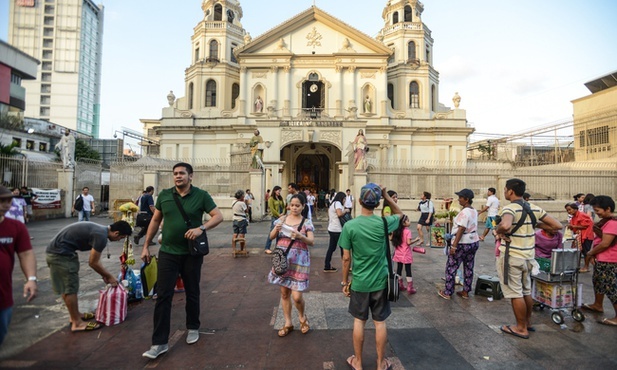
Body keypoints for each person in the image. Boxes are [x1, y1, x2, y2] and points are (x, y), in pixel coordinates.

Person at [140, 162, 223, 359]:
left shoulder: (201, 195)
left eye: (182, 173)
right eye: (175, 173)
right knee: (163, 295)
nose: (178, 176)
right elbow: (155, 220)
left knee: (192, 291)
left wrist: (200, 228)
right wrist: (146, 245)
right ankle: (159, 342)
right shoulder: (165, 195)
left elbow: (217, 216)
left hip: (191, 254)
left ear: (190, 176)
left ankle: (193, 326)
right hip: (168, 252)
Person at [339, 183, 401, 370]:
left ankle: (358, 362)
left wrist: (345, 281)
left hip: (360, 281)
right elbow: (400, 214)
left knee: (359, 321)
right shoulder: (384, 222)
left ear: (359, 201)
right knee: (380, 322)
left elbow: (346, 258)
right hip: (381, 281)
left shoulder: (350, 226)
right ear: (376, 203)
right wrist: (387, 196)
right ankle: (380, 363)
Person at [495, 178, 562, 339]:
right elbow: (557, 226)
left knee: (515, 293)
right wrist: (534, 224)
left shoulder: (509, 208)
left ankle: (520, 328)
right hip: (529, 258)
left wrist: (499, 230)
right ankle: (527, 323)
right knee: (526, 291)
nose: (504, 192)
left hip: (512, 257)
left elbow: (505, 225)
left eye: (505, 190)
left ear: (510, 191)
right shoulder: (533, 208)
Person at [46, 220, 132, 332]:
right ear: (116, 233)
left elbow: (94, 262)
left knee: (67, 287)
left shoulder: (101, 230)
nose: (119, 240)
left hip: (57, 252)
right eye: (121, 237)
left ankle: (75, 316)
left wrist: (104, 274)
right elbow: (93, 262)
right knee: (70, 288)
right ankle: (77, 323)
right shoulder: (101, 236)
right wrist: (110, 276)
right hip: (60, 255)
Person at [268, 193, 314, 337]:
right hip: (283, 260)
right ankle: (288, 322)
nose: (294, 208)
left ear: (303, 206)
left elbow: (311, 241)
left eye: (297, 205)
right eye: (292, 205)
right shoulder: (281, 220)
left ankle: (302, 317)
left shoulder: (306, 223)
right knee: (284, 293)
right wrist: (276, 229)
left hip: (299, 263)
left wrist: (300, 236)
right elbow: (271, 237)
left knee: (297, 296)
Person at [0, 185, 37, 346]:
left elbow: (26, 254)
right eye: (2, 200)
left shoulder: (16, 227)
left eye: (9, 200)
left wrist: (31, 279)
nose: (6, 204)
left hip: (3, 295)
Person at [581, 195, 617, 326]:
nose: (596, 213)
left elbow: (605, 244)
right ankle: (597, 305)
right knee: (598, 282)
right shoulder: (605, 222)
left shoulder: (612, 223)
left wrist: (590, 253)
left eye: (598, 210)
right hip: (602, 258)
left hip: (610, 260)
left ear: (608, 209)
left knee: (611, 287)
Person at [438, 189, 480, 300]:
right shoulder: (473, 211)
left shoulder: (465, 212)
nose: (459, 199)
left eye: (461, 197)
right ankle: (466, 291)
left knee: (451, 267)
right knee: (469, 267)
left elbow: (461, 228)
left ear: (466, 199)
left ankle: (448, 291)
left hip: (462, 243)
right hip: (473, 241)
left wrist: (454, 245)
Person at [392, 214, 419, 294]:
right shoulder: (407, 231)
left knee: (399, 268)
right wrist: (416, 240)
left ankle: (400, 284)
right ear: (403, 223)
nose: (409, 222)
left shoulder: (397, 231)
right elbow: (408, 242)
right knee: (408, 270)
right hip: (406, 253)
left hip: (398, 253)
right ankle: (410, 287)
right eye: (407, 220)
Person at [324, 191, 350, 273]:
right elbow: (339, 214)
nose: (344, 201)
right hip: (338, 229)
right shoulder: (338, 203)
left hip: (332, 228)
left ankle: (327, 266)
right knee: (344, 248)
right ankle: (346, 266)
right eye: (344, 199)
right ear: (341, 198)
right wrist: (345, 211)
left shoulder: (332, 204)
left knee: (331, 248)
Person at [565, 202, 594, 272]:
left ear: (575, 209)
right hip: (579, 236)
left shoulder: (582, 215)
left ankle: (586, 267)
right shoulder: (573, 217)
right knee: (580, 251)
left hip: (586, 236)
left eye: (570, 209)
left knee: (586, 251)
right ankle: (579, 266)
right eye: (567, 210)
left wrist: (573, 226)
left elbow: (585, 226)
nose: (569, 211)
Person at [264, 186, 285, 254]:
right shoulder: (271, 198)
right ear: (275, 191)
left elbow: (284, 206)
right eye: (278, 190)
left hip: (281, 217)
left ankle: (278, 247)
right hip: (275, 217)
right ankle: (267, 247)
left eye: (280, 191)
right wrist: (278, 215)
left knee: (279, 232)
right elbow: (272, 209)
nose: (279, 192)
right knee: (272, 232)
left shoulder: (280, 198)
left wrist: (283, 213)